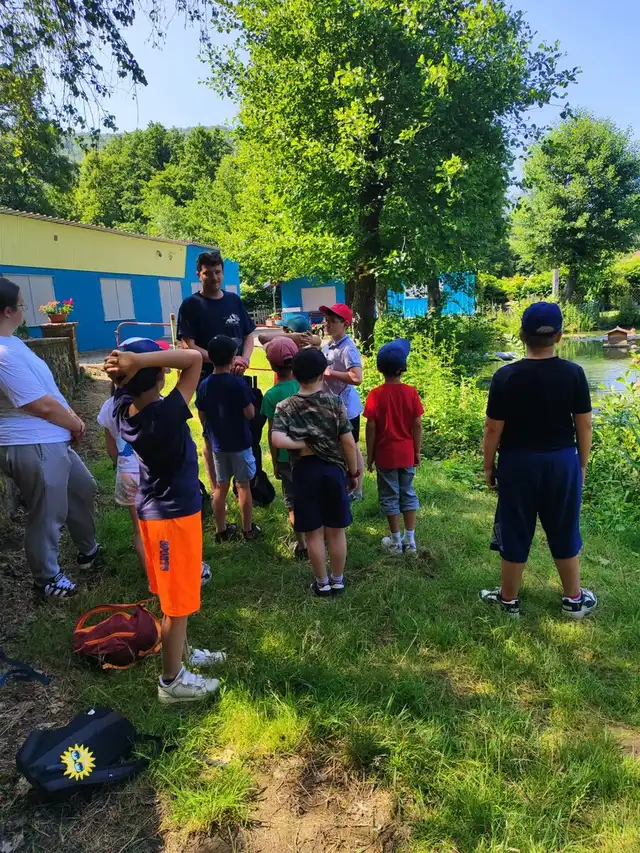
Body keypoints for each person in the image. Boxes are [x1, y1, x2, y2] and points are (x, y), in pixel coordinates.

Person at [105, 340, 222, 704]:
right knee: (178, 603)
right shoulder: (164, 416)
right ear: (157, 377)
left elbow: (181, 365)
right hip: (171, 519)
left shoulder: (125, 407)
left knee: (174, 596)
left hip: (157, 512)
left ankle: (183, 653)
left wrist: (135, 367)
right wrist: (139, 360)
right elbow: (192, 359)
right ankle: (172, 680)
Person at [480, 302, 597, 619]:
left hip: (518, 463)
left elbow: (493, 428)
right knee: (564, 527)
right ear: (559, 336)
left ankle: (508, 602)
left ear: (521, 335)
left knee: (515, 528)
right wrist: (581, 465)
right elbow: (584, 425)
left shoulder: (506, 376)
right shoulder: (574, 374)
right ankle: (573, 600)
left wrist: (489, 466)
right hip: (561, 462)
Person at [0, 277, 99, 599]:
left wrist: (68, 423)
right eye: (21, 306)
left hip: (51, 439)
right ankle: (47, 579)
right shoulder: (1, 352)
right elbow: (38, 404)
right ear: (6, 311)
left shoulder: (12, 342)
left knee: (83, 488)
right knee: (48, 512)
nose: (24, 311)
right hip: (31, 444)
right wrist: (75, 423)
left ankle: (88, 551)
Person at [97, 376, 213, 585]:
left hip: (127, 472)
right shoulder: (156, 403)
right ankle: (185, 569)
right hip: (154, 473)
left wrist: (122, 465)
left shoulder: (110, 406)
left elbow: (111, 449)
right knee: (171, 527)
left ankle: (155, 578)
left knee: (139, 529)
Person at [272, 347, 359, 597]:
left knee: (313, 532)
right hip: (333, 471)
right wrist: (352, 472)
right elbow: (348, 442)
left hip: (304, 473)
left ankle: (321, 584)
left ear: (294, 374)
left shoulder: (285, 406)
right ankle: (338, 580)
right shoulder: (335, 403)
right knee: (336, 529)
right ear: (323, 373)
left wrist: (302, 444)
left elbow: (277, 439)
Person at [177, 250, 256, 495]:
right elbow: (188, 344)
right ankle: (216, 488)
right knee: (211, 434)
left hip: (237, 378)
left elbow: (249, 335)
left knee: (241, 428)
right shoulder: (191, 305)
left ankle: (242, 484)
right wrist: (220, 360)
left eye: (218, 272)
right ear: (199, 274)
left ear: (223, 272)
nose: (214, 277)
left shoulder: (234, 300)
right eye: (208, 273)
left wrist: (243, 358)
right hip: (207, 380)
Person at [196, 335, 261, 542]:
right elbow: (250, 413)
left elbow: (202, 414)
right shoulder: (238, 384)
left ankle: (221, 530)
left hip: (217, 445)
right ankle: (248, 530)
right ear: (234, 357)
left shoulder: (204, 384)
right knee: (243, 486)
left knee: (220, 487)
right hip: (240, 443)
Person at [364, 339, 424, 556]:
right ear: (403, 368)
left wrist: (370, 456)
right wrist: (416, 450)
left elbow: (371, 426)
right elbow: (417, 424)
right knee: (408, 493)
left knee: (390, 495)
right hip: (406, 453)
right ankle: (411, 542)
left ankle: (396, 543)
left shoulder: (375, 394)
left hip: (385, 455)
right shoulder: (411, 392)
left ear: (379, 369)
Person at [260, 336, 307, 559]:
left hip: (286, 457)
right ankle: (319, 535)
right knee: (311, 496)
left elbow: (272, 431)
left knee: (293, 501)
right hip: (309, 451)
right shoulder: (305, 385)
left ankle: (302, 545)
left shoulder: (270, 396)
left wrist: (276, 460)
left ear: (271, 365)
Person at [320, 303, 364, 501]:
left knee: (352, 447)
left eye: (332, 321)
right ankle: (343, 484)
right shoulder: (328, 346)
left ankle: (358, 490)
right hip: (331, 406)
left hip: (348, 408)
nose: (327, 324)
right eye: (326, 320)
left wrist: (330, 373)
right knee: (338, 447)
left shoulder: (348, 349)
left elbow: (357, 377)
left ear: (345, 324)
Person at [258, 314, 322, 349]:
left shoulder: (285, 348)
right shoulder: (313, 347)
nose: (283, 330)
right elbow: (317, 339)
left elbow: (263, 337)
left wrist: (294, 336)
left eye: (284, 328)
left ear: (289, 331)